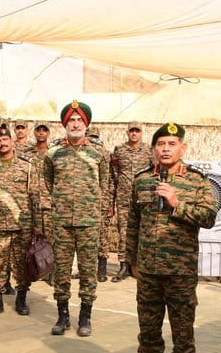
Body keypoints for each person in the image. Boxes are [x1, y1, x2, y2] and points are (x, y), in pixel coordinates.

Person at [122, 122, 218, 353]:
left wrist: (176, 203)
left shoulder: (197, 181)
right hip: (148, 272)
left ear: (182, 148)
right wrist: (131, 260)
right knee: (148, 331)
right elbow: (133, 223)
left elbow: (209, 217)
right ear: (154, 149)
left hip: (180, 272)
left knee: (182, 332)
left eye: (171, 144)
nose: (165, 149)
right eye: (160, 144)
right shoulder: (142, 181)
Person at [43, 100, 109, 337]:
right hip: (62, 222)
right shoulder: (53, 154)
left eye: (79, 120)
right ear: (65, 124)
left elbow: (104, 185)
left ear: (86, 123)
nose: (75, 124)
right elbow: (49, 183)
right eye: (71, 120)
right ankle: (62, 317)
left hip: (89, 221)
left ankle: (85, 317)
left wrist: (95, 211)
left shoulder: (99, 153)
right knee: (61, 270)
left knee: (88, 270)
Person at [0, 126, 40, 316]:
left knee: (22, 264)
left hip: (22, 224)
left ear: (12, 141)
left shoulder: (27, 165)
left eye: (5, 140)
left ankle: (21, 300)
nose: (2, 144)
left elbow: (35, 196)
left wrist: (37, 224)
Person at [111, 121, 152, 282]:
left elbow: (154, 174)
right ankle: (123, 265)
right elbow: (114, 175)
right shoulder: (119, 151)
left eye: (137, 131)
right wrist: (112, 199)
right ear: (127, 133)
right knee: (123, 232)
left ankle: (139, 265)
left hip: (143, 199)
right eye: (132, 131)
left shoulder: (149, 151)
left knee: (143, 232)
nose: (134, 134)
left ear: (141, 133)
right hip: (124, 199)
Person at [87, 125, 113, 282]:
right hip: (92, 201)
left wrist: (107, 202)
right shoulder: (103, 153)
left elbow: (109, 179)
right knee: (98, 235)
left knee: (99, 236)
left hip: (96, 201)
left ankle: (100, 269)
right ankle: (97, 270)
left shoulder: (103, 154)